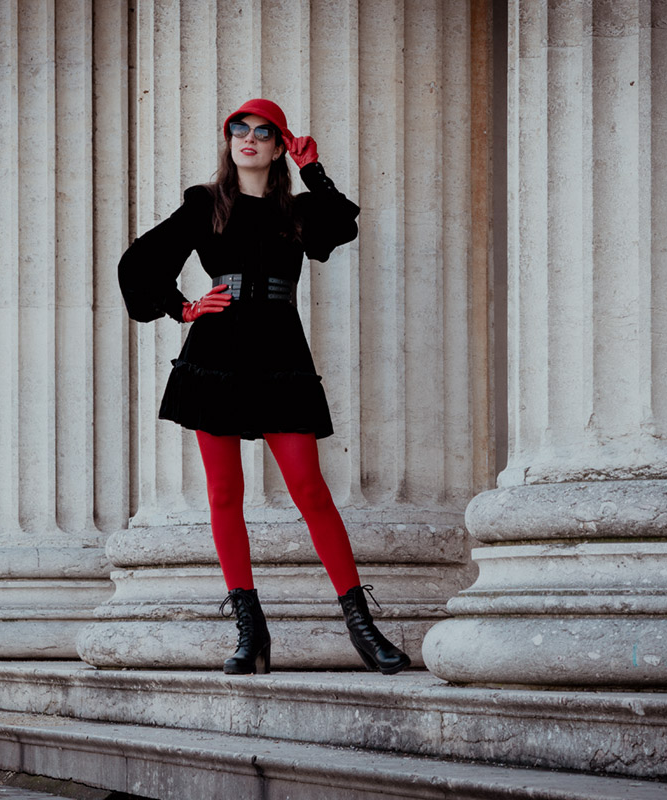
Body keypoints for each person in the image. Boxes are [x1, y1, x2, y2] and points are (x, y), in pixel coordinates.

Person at [118, 98, 410, 676]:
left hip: (280, 352)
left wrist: (315, 171)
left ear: (278, 145)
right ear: (228, 142)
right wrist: (183, 308)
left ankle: (362, 627)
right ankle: (250, 632)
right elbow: (140, 261)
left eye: (262, 131)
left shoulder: (297, 210)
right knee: (224, 494)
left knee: (310, 489)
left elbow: (340, 227)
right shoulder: (205, 204)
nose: (248, 138)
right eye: (238, 129)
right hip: (216, 354)